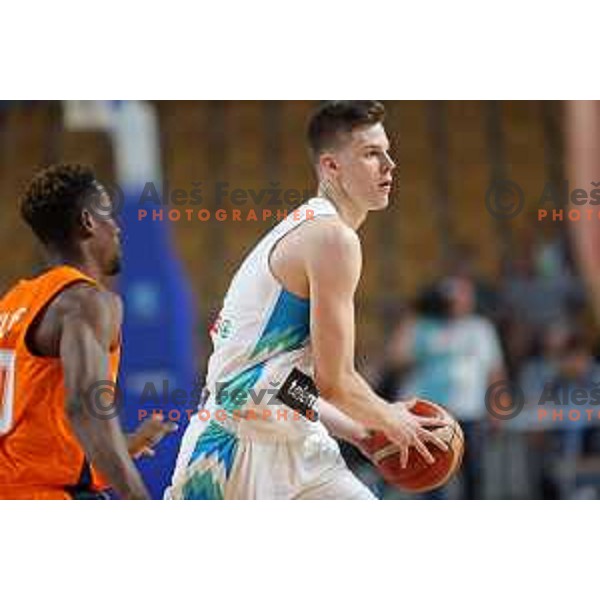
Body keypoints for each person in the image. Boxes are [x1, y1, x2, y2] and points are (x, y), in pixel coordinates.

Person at [167, 101, 448, 500]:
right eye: (371, 153)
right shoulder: (331, 238)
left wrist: (362, 433)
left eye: (387, 150)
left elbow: (281, 380)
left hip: (298, 443)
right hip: (231, 451)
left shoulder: (319, 230)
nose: (389, 164)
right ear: (331, 167)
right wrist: (392, 420)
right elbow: (336, 382)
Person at [0, 164, 175, 499]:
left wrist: (124, 444)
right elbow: (84, 409)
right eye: (108, 213)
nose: (117, 226)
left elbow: (32, 430)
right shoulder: (86, 302)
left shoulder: (13, 302)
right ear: (87, 221)